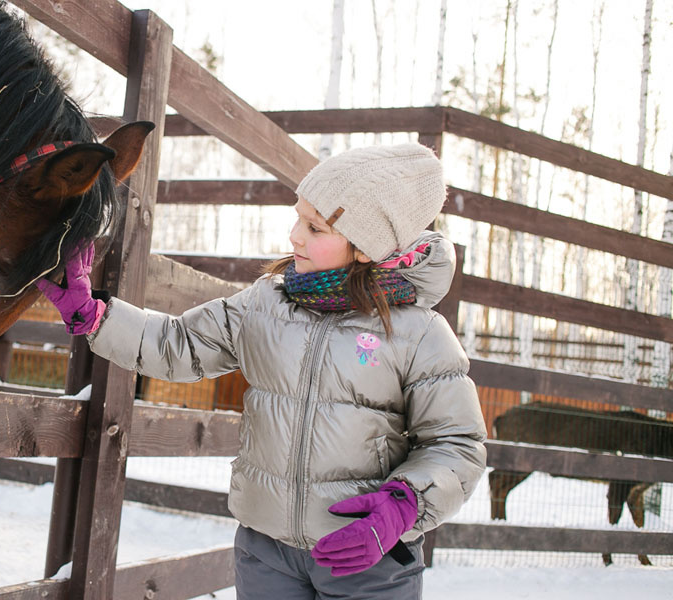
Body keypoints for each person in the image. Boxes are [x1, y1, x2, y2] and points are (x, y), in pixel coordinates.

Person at [37, 143, 487, 599]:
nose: (294, 235)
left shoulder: (419, 333)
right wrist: (96, 317)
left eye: (315, 227)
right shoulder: (265, 305)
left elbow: (457, 444)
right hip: (266, 551)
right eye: (298, 217)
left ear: (368, 247)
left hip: (368, 556)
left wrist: (404, 504)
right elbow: (179, 344)